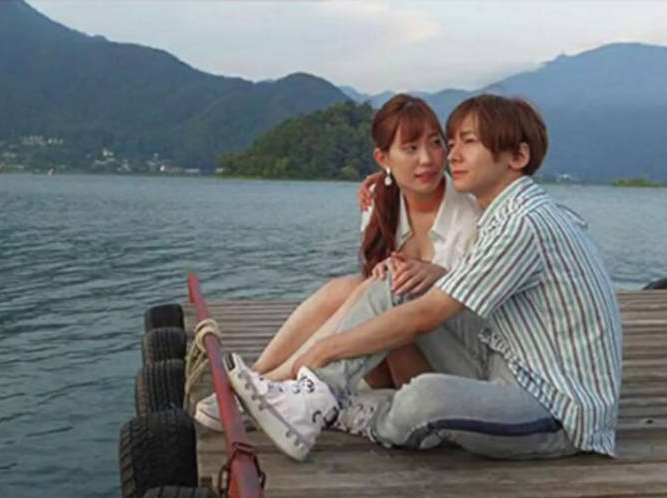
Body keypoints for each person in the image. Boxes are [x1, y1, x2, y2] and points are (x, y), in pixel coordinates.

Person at [226, 94, 622, 462]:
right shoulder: (504, 214)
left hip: (556, 411)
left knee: (423, 398)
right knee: (399, 281)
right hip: (504, 364)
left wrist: (324, 349)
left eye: (469, 142)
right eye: (452, 142)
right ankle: (312, 397)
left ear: (518, 156)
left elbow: (427, 316)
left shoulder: (523, 222)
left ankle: (351, 411)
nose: (452, 155)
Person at [194, 94, 481, 431]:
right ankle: (258, 377)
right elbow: (370, 292)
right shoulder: (380, 200)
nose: (428, 159)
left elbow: (469, 308)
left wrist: (434, 276)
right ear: (383, 158)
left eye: (435, 143)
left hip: (444, 371)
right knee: (348, 287)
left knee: (384, 287)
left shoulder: (468, 214)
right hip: (387, 356)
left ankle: (271, 388)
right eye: (411, 148)